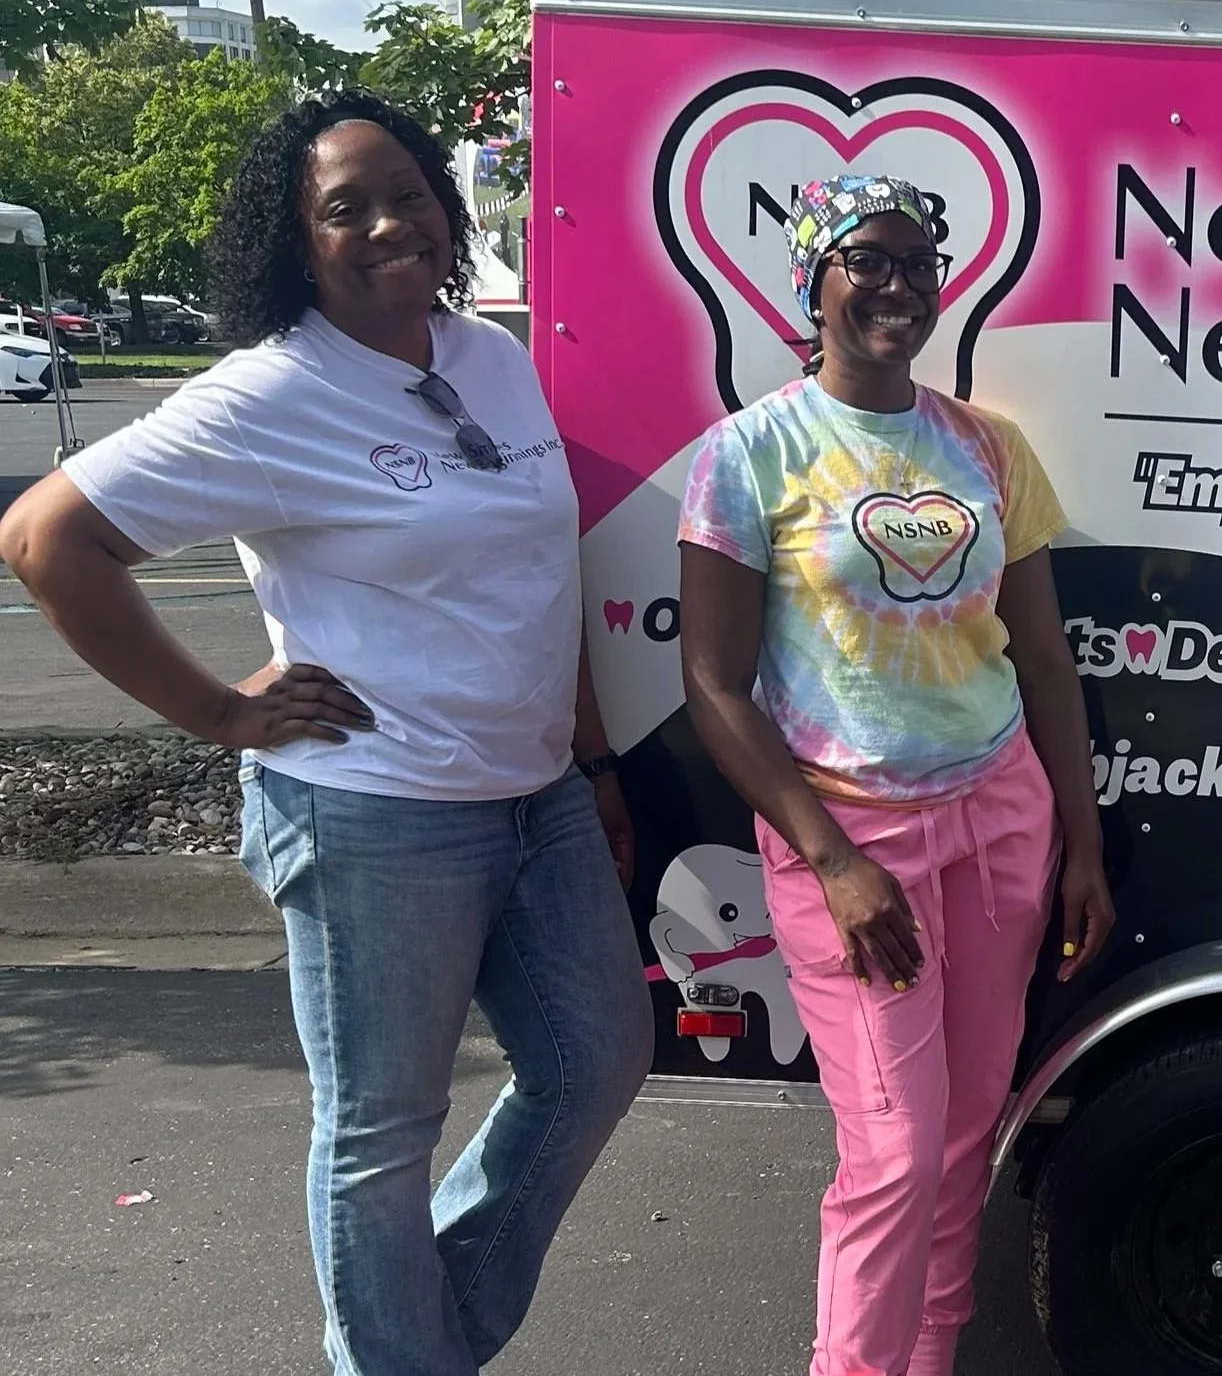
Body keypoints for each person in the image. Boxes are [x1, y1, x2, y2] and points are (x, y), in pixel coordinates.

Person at [0, 91, 650, 1374]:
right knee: (380, 1135)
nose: (390, 223)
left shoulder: (489, 355)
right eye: (345, 208)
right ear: (296, 243)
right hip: (374, 816)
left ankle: (419, 1341)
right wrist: (218, 711)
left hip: (537, 800)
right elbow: (44, 536)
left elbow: (545, 570)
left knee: (597, 1062)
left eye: (408, 193)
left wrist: (591, 758)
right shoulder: (271, 391)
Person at [676, 174, 1117, 1376]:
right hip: (850, 839)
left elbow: (1044, 657)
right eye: (865, 259)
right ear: (812, 283)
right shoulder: (749, 452)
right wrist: (832, 862)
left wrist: (1081, 843)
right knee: (893, 1154)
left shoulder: (985, 444)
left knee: (966, 1132)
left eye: (918, 264)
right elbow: (712, 684)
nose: (897, 286)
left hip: (1001, 819)